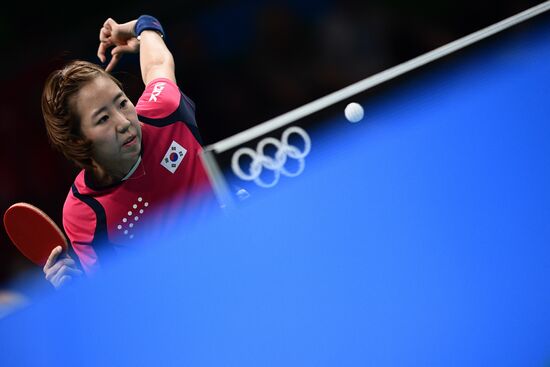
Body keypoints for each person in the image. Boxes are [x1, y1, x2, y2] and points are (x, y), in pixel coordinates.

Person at [41, 15, 219, 289]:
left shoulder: (164, 113)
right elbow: (112, 294)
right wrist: (75, 291)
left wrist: (142, 25)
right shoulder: (83, 212)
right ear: (77, 141)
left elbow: (157, 64)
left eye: (122, 103)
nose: (124, 123)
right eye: (102, 119)